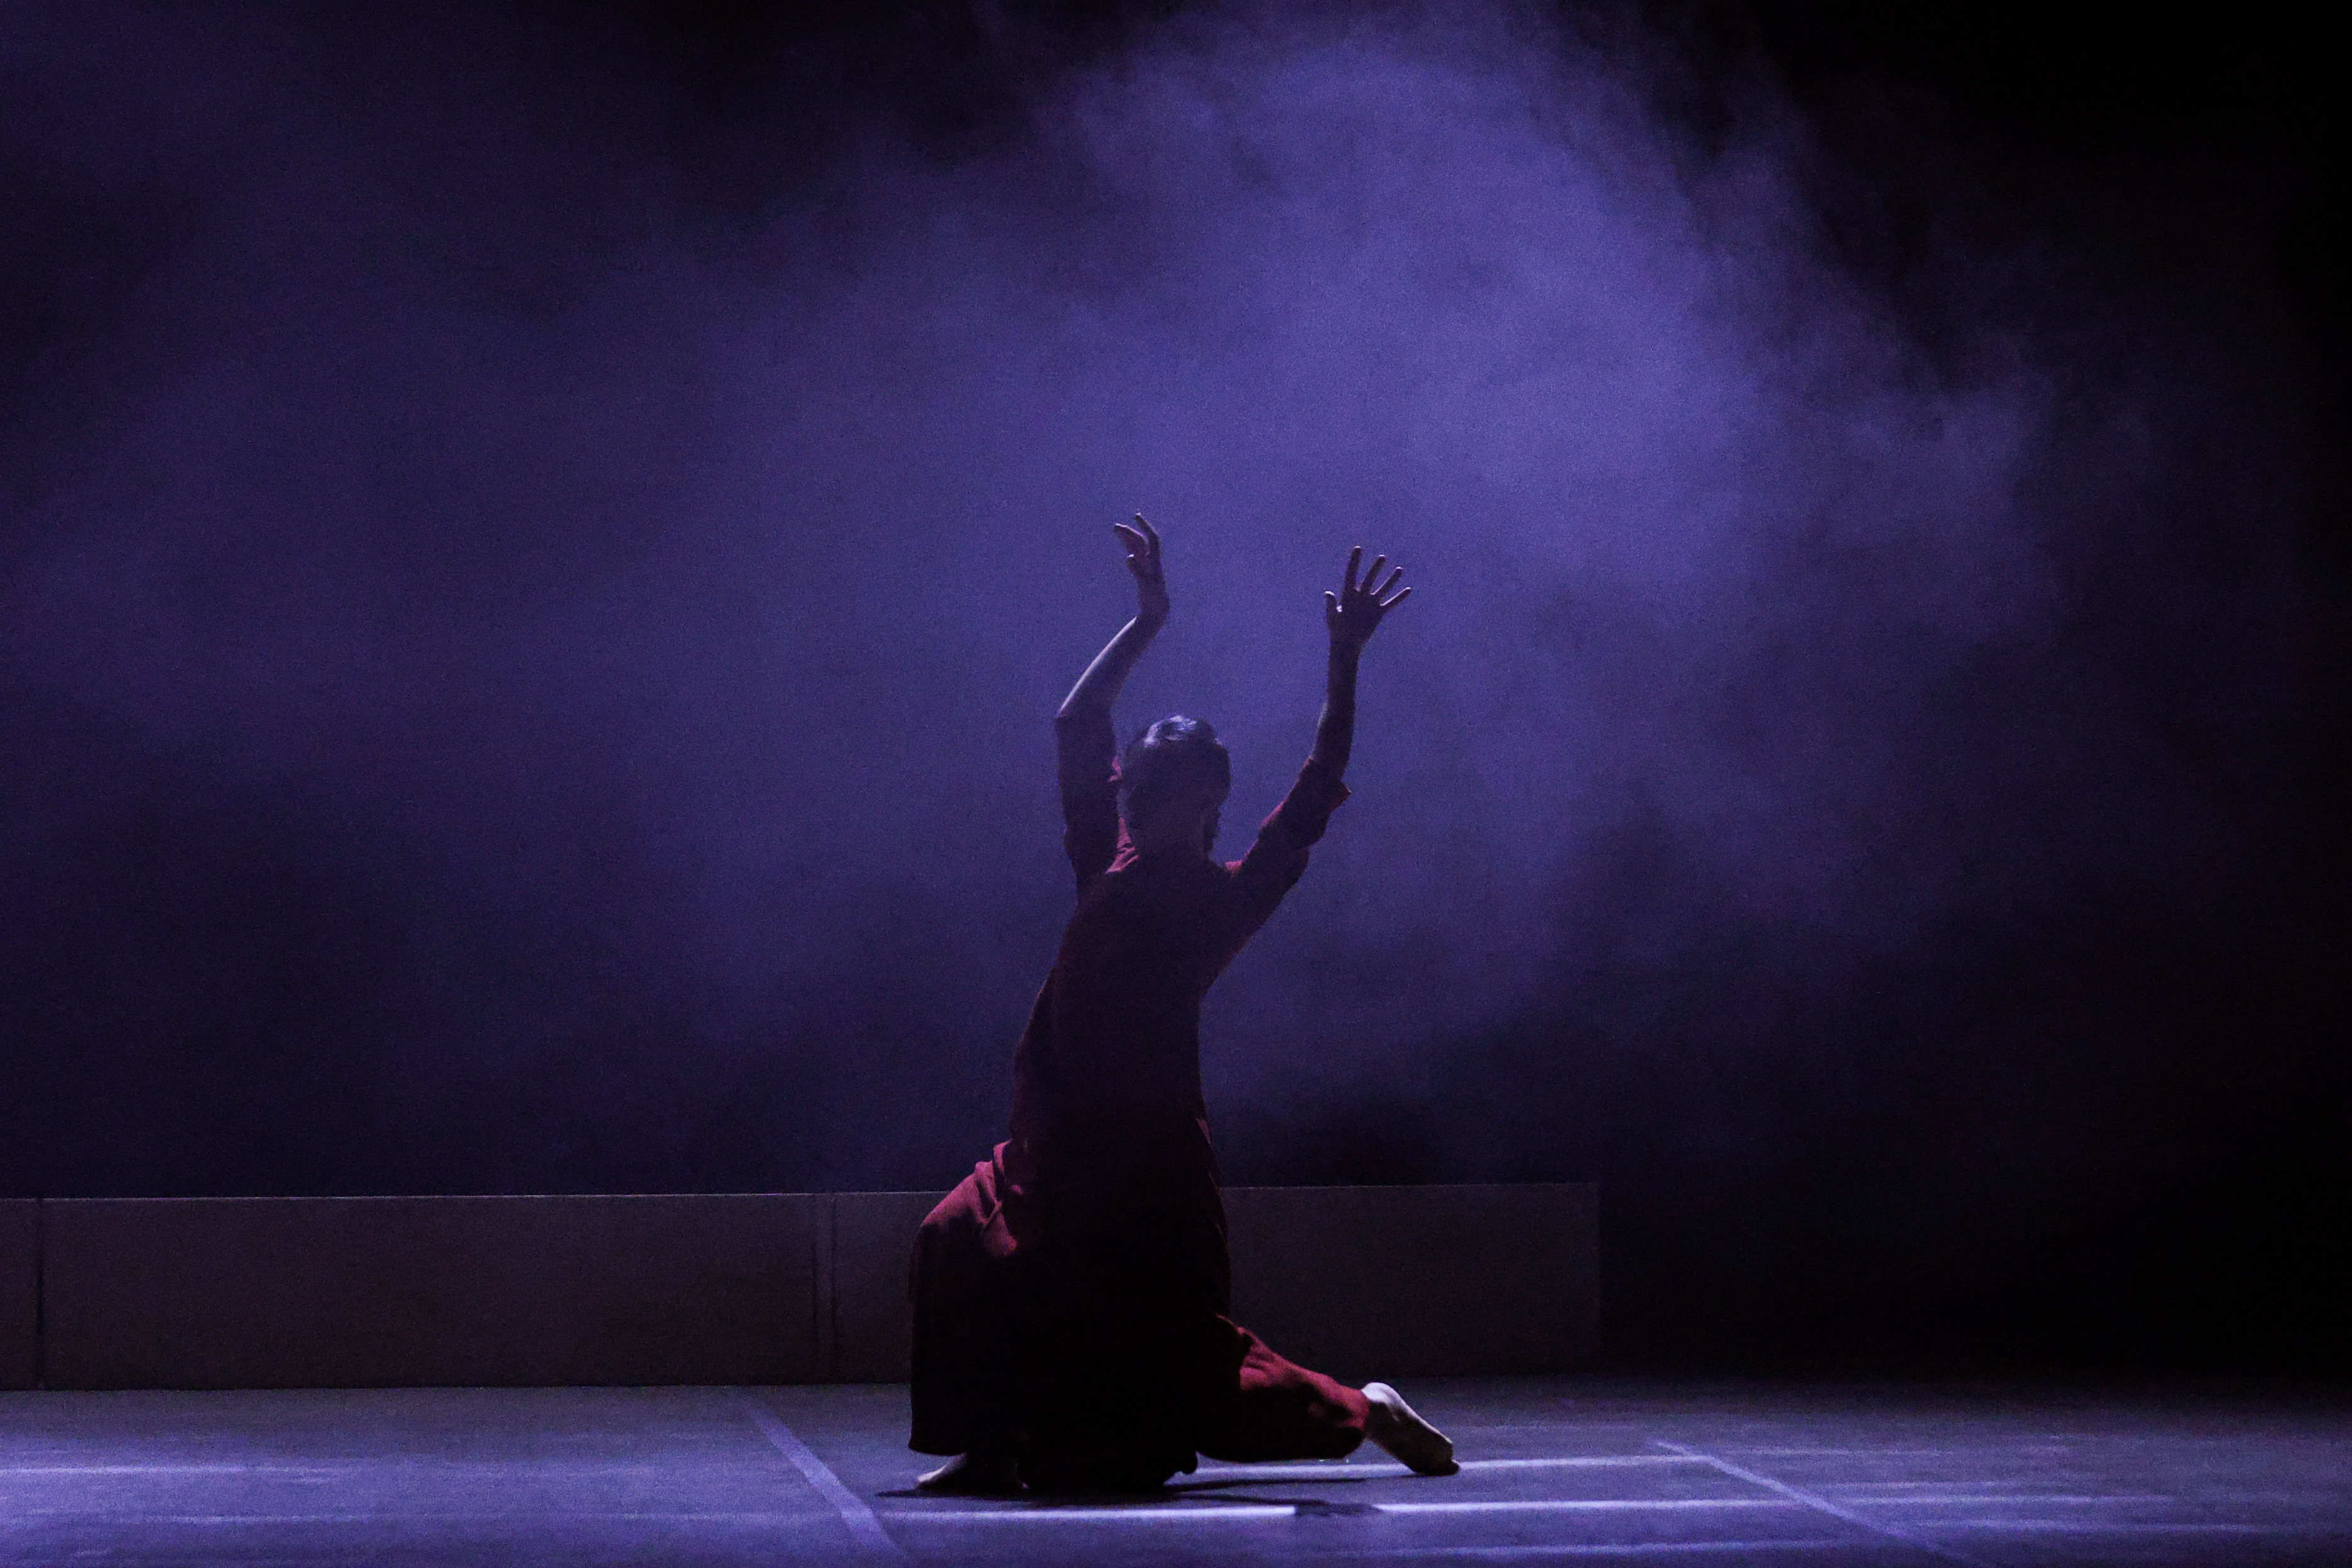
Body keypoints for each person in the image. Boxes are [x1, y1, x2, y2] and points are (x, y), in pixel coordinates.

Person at [908, 516, 1456, 1494]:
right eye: (1146, 790)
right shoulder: (1106, 861)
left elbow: (1317, 788)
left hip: (1148, 1178)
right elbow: (1077, 724)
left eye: (1168, 792)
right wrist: (1148, 620)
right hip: (1060, 1147)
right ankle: (992, 1444)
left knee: (1188, 1387)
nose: (1141, 803)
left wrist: (1345, 661)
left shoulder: (1219, 902)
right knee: (958, 1243)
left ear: (1204, 804)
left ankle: (1363, 1408)